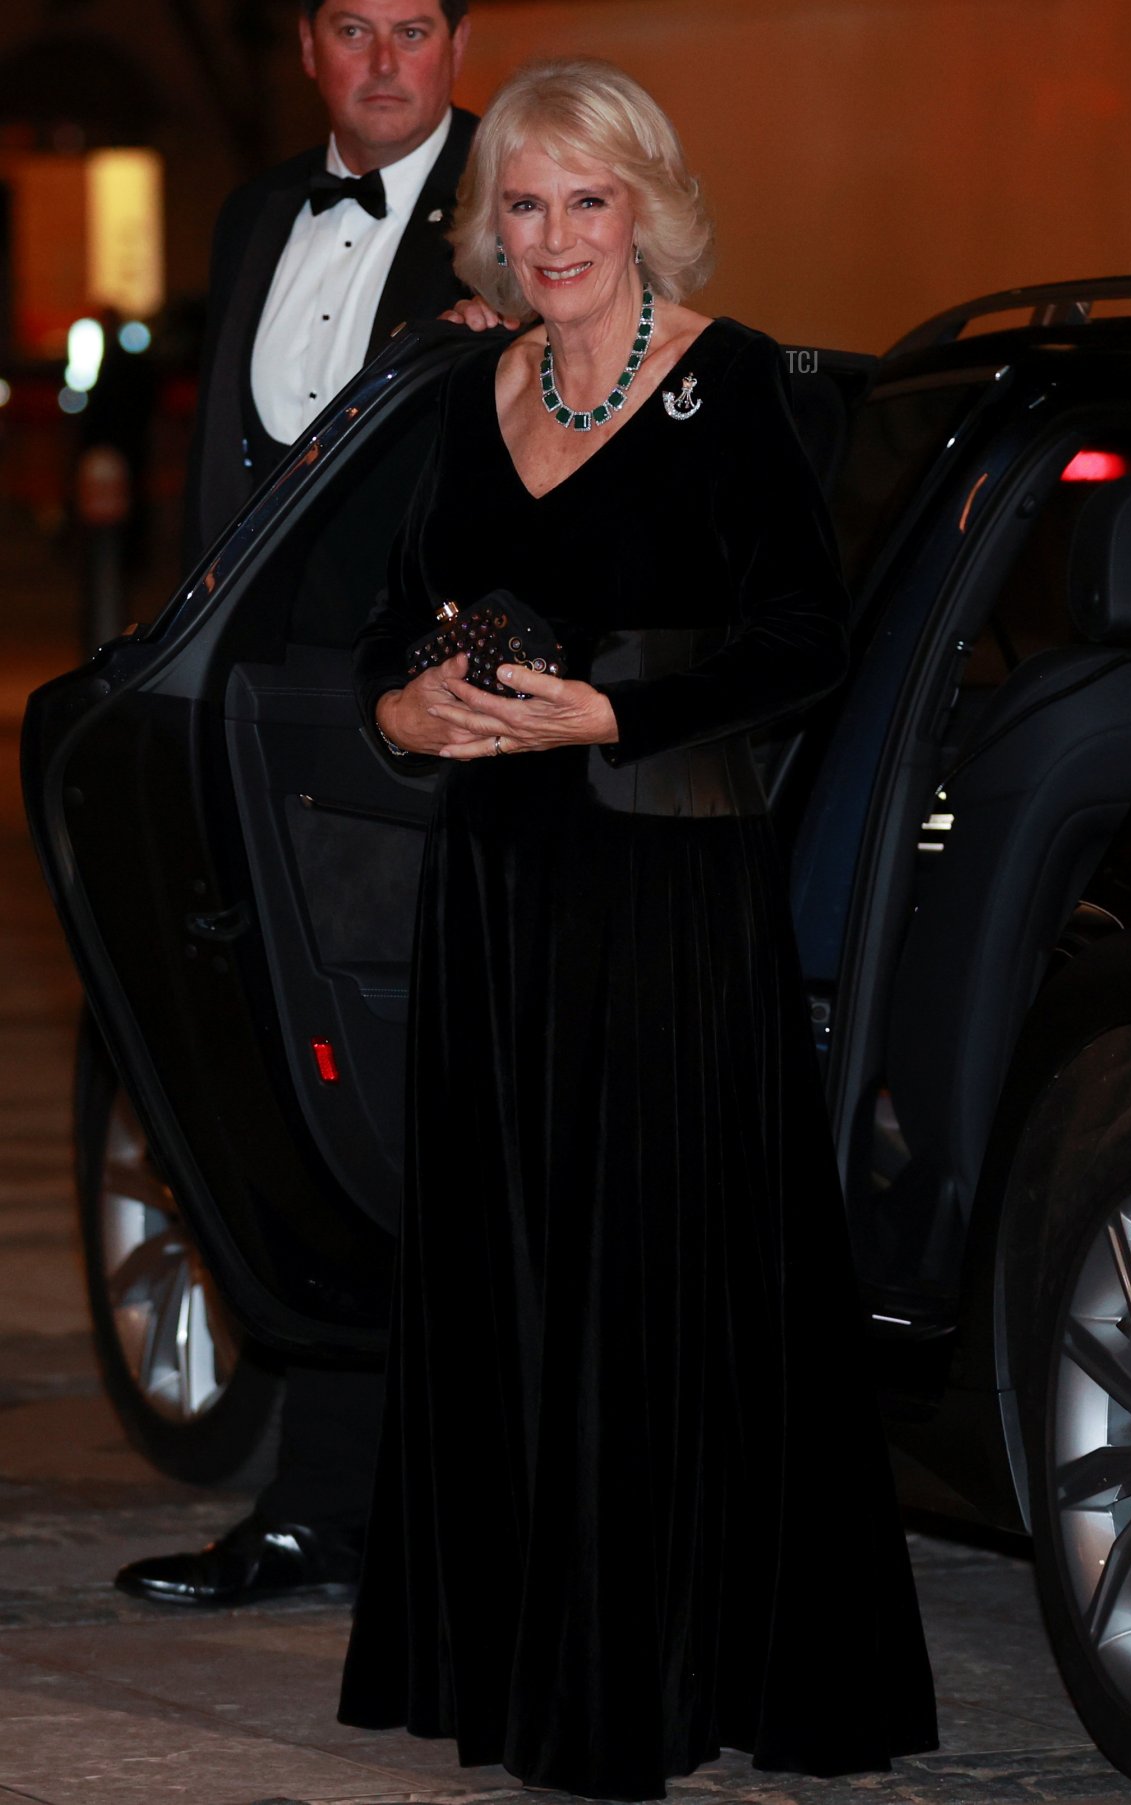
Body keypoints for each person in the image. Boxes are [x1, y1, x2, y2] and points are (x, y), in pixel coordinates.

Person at [337, 56, 938, 1803]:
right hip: (497, 909)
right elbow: (389, 630)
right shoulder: (471, 391)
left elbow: (803, 639)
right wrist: (405, 718)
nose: (550, 238)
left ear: (645, 207)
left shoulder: (730, 384)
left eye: (583, 201)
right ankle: (526, 1661)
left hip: (664, 904)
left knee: (646, 1286)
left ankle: (658, 1673)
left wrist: (611, 714)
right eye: (520, 206)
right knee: (512, 1276)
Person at [115, 0, 477, 1611]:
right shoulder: (259, 209)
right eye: (354, 26)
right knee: (279, 1106)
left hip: (433, 751)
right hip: (253, 729)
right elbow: (224, 480)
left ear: (461, 47)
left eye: (416, 26)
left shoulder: (525, 207)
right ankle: (311, 1507)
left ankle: (446, 1512)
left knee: (425, 1123)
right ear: (312, 49)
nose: (386, 59)